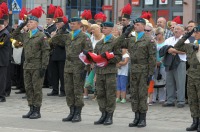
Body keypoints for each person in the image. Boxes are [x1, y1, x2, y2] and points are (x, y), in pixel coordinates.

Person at [12, 6, 50, 119]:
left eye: (31, 22)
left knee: (36, 89)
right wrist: (22, 24)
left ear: (36, 23)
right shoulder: (26, 35)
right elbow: (14, 35)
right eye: (28, 22)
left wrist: (44, 67)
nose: (29, 23)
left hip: (37, 66)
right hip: (27, 65)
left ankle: (37, 110)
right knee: (28, 88)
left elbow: (46, 52)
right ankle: (31, 108)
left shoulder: (41, 36)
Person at [126, 18, 156, 128]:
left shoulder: (149, 40)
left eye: (138, 25)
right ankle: (136, 117)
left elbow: (152, 58)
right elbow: (120, 44)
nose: (135, 26)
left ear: (143, 26)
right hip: (133, 69)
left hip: (143, 70)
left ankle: (143, 118)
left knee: (142, 94)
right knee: (134, 94)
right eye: (135, 25)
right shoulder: (131, 39)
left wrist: (150, 73)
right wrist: (126, 32)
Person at [62, 17, 92, 123]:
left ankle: (78, 113)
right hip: (68, 66)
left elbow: (89, 53)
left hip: (79, 67)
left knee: (77, 91)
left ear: (80, 25)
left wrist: (86, 68)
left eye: (74, 24)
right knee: (69, 90)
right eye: (71, 24)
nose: (71, 25)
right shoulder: (68, 36)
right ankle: (71, 111)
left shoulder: (84, 37)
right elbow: (56, 42)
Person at [93, 22, 121, 125]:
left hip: (110, 71)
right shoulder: (99, 43)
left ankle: (109, 115)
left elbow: (118, 57)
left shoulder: (115, 42)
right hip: (100, 72)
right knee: (100, 93)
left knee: (110, 94)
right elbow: (95, 56)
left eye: (105, 28)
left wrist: (107, 59)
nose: (103, 29)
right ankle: (103, 114)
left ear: (111, 29)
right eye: (102, 28)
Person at [173, 26, 200, 131]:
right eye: (195, 32)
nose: (196, 34)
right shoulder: (190, 46)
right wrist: (186, 35)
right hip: (191, 75)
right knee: (192, 100)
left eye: (198, 32)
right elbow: (177, 46)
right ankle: (195, 121)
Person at [162, 24, 188, 108]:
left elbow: (185, 51)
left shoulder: (185, 40)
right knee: (169, 82)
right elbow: (164, 49)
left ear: (183, 31)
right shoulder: (169, 39)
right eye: (175, 29)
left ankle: (181, 101)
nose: (176, 30)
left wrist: (173, 50)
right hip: (170, 62)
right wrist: (169, 50)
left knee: (180, 82)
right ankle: (170, 100)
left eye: (178, 29)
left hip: (180, 62)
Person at [47, 6, 68, 97]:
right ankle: (55, 90)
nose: (57, 25)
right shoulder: (56, 31)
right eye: (56, 24)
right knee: (54, 74)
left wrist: (55, 37)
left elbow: (63, 44)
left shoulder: (66, 32)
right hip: (54, 55)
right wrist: (51, 38)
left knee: (62, 75)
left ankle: (63, 90)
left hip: (62, 55)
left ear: (63, 24)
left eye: (59, 24)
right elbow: (51, 44)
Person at [83, 24, 104, 99]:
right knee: (91, 77)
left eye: (94, 29)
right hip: (92, 60)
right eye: (91, 29)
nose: (92, 31)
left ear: (99, 29)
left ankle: (98, 94)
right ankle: (89, 93)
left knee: (98, 77)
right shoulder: (92, 38)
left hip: (101, 60)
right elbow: (90, 49)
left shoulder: (103, 37)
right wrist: (91, 61)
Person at [43, 4, 57, 89]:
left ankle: (51, 83)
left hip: (51, 49)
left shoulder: (54, 27)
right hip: (46, 48)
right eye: (46, 19)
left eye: (48, 19)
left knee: (51, 68)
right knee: (47, 67)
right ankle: (46, 82)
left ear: (52, 20)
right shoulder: (46, 27)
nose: (47, 21)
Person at [152, 27, 166, 104]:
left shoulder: (165, 42)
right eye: (155, 34)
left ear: (161, 34)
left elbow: (166, 53)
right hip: (154, 63)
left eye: (157, 34)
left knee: (162, 80)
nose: (156, 35)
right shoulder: (154, 42)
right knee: (153, 80)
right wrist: (155, 61)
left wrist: (161, 61)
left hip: (163, 64)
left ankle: (162, 98)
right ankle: (153, 97)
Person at [0, 8, 10, 102]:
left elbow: (0, 44)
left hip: (2, 60)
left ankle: (2, 96)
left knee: (2, 79)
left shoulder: (5, 34)